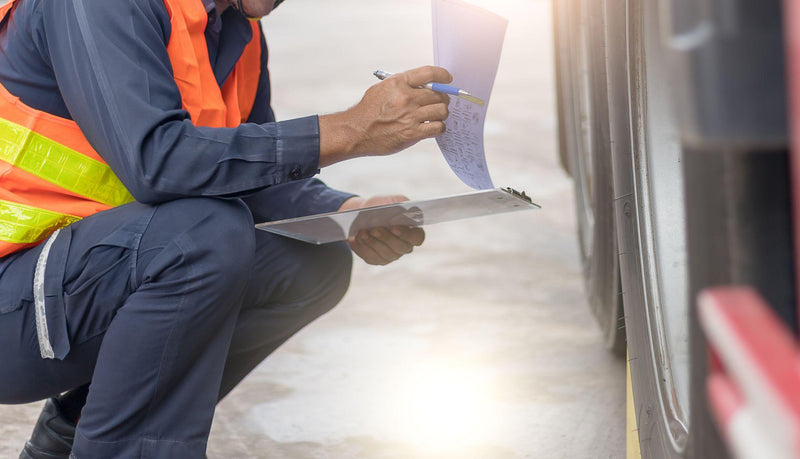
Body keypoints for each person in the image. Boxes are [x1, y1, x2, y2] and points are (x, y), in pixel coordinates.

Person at [0, 0, 452, 457]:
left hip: (71, 288)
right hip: (11, 303)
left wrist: (350, 211)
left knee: (309, 258)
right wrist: (350, 130)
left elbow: (248, 174)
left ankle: (75, 436)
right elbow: (156, 162)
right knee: (200, 234)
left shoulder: (238, 31)